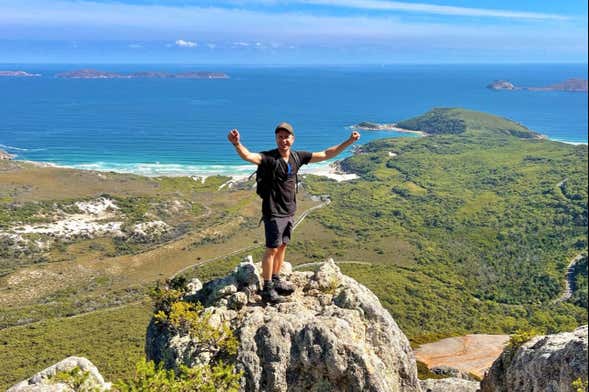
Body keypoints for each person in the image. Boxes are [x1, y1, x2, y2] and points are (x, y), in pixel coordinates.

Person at [227, 122, 360, 303]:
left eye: (286, 137)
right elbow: (248, 156)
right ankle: (267, 288)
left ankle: (275, 278)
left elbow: (326, 154)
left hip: (289, 211)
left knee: (282, 246)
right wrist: (236, 144)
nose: (283, 140)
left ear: (293, 139)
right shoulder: (268, 158)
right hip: (273, 211)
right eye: (280, 137)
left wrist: (348, 142)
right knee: (272, 248)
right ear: (276, 139)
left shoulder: (297, 157)